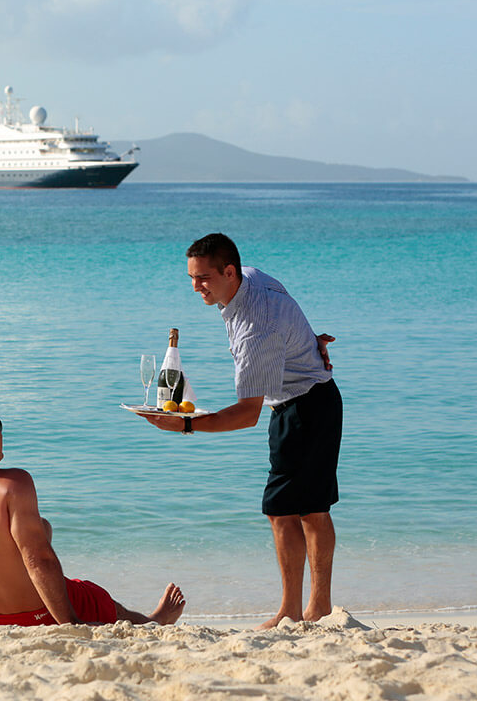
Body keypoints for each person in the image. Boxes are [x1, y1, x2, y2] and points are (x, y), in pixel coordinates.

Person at [144, 232, 341, 629]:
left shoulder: (255, 328)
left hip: (304, 407)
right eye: (191, 278)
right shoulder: (252, 277)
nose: (196, 287)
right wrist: (308, 341)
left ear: (229, 272)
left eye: (204, 278)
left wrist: (184, 426)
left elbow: (246, 415)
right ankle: (314, 608)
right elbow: (289, 312)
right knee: (303, 510)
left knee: (287, 511)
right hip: (312, 400)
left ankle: (297, 610)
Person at [0, 397, 185, 627]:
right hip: (41, 614)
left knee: (43, 529)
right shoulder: (13, 484)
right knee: (94, 597)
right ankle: (154, 622)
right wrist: (70, 625)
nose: (0, 429)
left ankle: (148, 619)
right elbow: (38, 559)